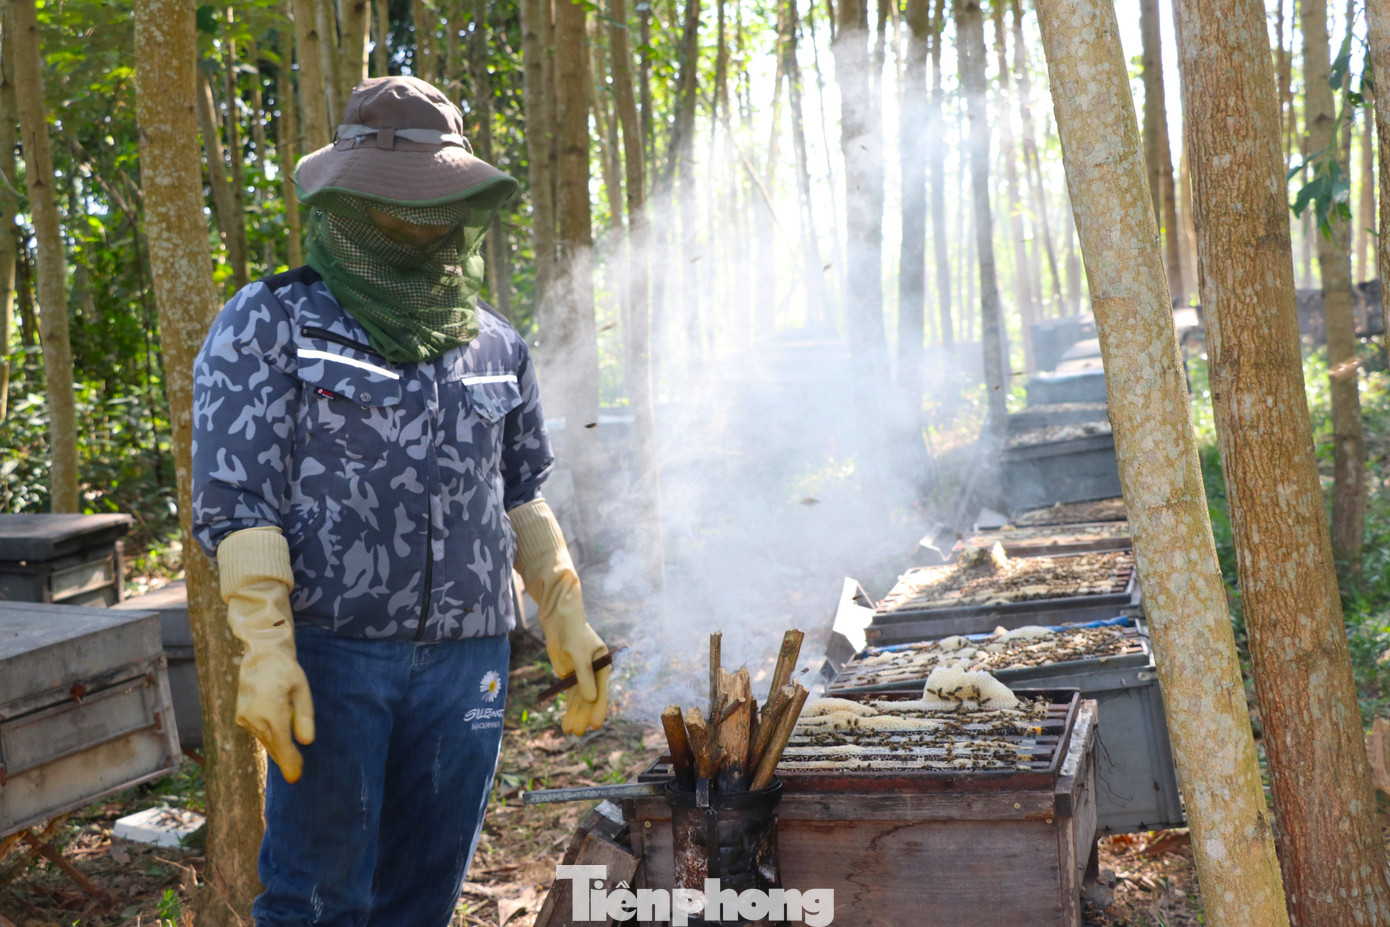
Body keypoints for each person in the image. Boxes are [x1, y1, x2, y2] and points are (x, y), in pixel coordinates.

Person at [190, 75, 610, 926]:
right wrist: (266, 646)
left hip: (469, 660)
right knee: (318, 898)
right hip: (334, 655)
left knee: (423, 895)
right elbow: (238, 498)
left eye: (428, 200)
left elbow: (520, 490)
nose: (413, 218)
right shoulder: (271, 320)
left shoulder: (496, 343)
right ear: (346, 196)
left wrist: (563, 606)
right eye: (392, 202)